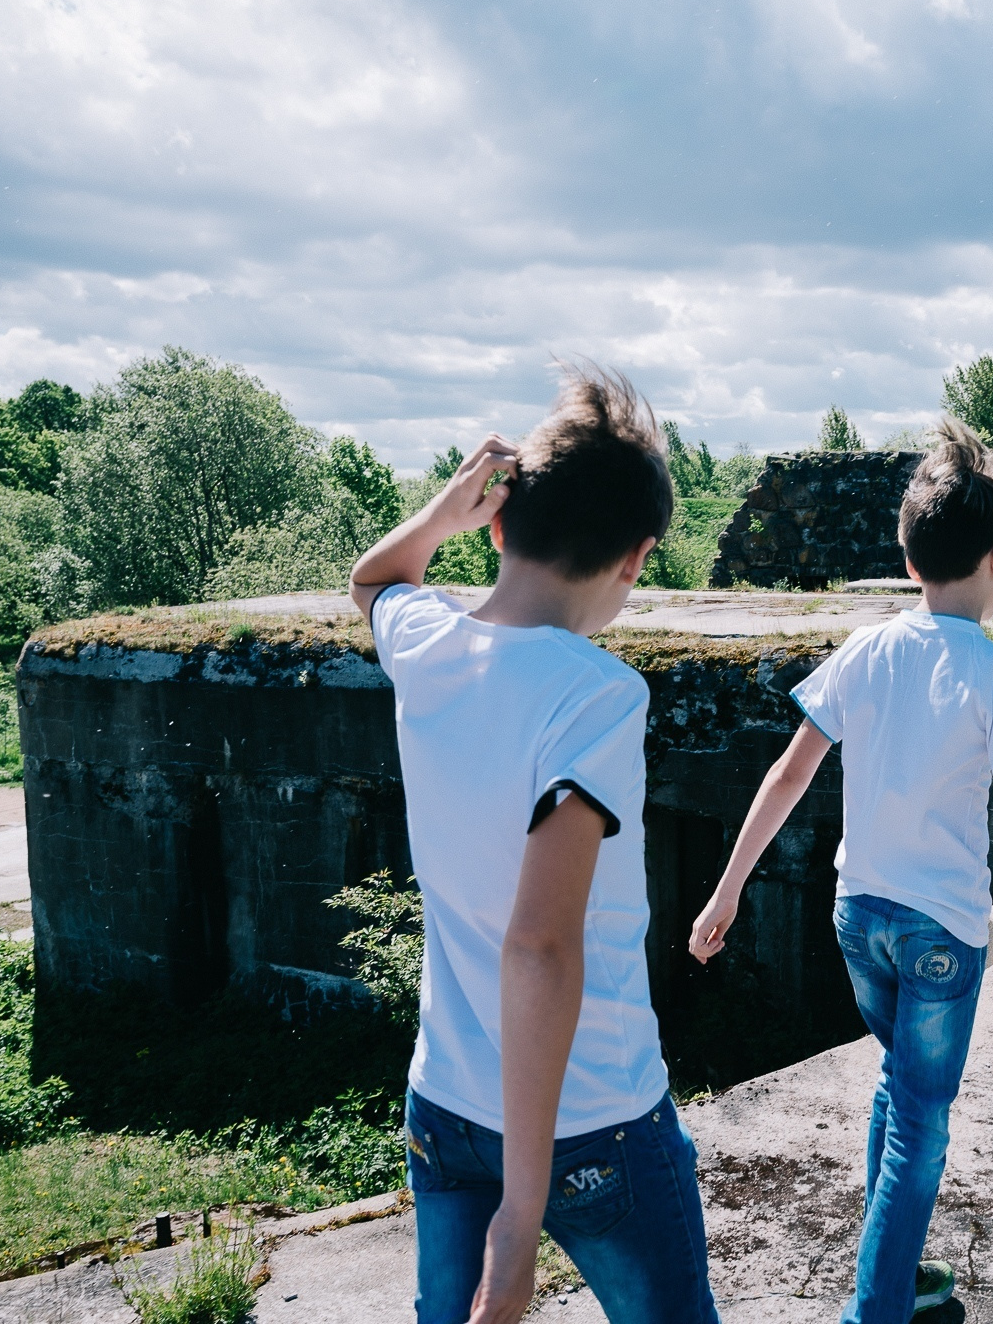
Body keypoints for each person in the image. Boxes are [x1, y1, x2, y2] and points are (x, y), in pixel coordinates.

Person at [685, 418, 993, 1322]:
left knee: (898, 1086)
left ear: (909, 560)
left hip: (857, 914)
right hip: (940, 930)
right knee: (922, 1123)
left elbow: (788, 775)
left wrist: (728, 887)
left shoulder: (866, 650)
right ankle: (875, 1309)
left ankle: (891, 1277)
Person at [349, 365, 720, 1324]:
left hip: (445, 1105)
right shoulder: (595, 694)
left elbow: (376, 579)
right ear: (637, 558)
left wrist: (442, 512)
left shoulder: (426, 640)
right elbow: (540, 945)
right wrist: (524, 1213)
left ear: (500, 522)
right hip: (591, 1120)